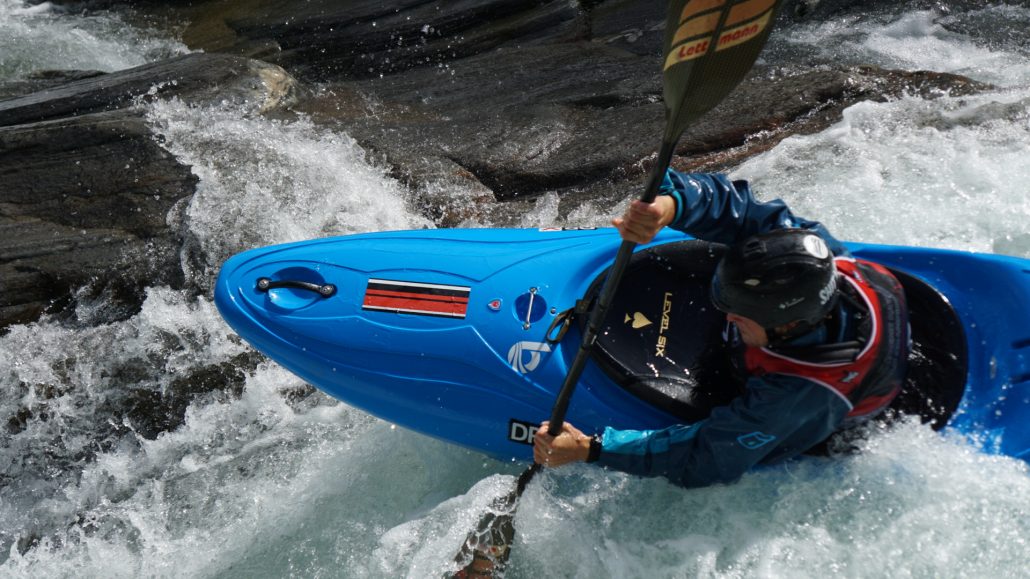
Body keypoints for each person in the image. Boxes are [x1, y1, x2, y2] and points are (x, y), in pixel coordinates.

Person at [533, 170, 910, 488]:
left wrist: (592, 450)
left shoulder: (799, 395)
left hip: (816, 417)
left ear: (788, 326)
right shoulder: (809, 252)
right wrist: (670, 206)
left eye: (739, 317)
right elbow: (738, 208)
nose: (726, 318)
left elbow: (707, 458)